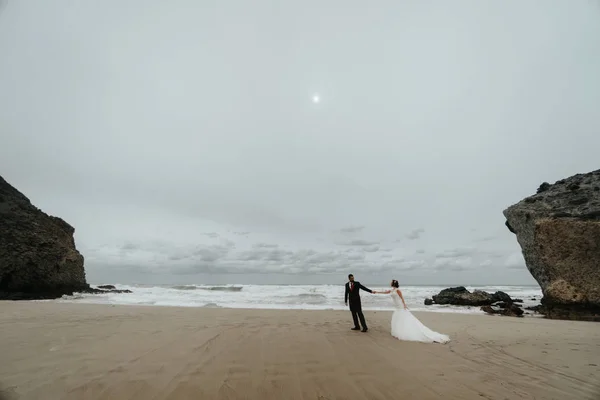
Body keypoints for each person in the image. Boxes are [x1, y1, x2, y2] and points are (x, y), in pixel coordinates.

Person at [373, 279, 450, 343]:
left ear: (393, 283)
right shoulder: (392, 290)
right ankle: (398, 332)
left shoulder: (398, 290)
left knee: (402, 317)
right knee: (397, 318)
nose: (390, 282)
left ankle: (403, 332)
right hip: (397, 306)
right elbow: (385, 292)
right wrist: (376, 292)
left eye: (391, 282)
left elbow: (402, 298)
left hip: (400, 305)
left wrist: (404, 305)